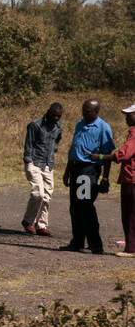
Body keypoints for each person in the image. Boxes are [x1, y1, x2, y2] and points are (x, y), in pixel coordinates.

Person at [60, 99, 114, 254]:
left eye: (88, 111)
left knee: (86, 206)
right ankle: (77, 242)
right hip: (76, 169)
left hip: (88, 171)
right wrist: (67, 171)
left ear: (96, 112)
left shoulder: (103, 128)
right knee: (75, 207)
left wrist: (105, 178)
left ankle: (95, 244)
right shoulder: (80, 124)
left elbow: (108, 154)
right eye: (83, 110)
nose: (84, 113)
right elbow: (74, 149)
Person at [93, 102, 135, 258]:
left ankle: (131, 248)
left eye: (129, 115)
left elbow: (123, 155)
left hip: (131, 178)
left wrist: (102, 157)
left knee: (129, 214)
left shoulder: (134, 133)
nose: (126, 118)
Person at [21, 102, 64, 236]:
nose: (56, 118)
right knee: (37, 193)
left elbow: (56, 143)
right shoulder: (35, 125)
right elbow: (29, 144)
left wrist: (52, 158)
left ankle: (41, 225)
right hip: (34, 162)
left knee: (46, 196)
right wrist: (28, 161)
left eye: (59, 116)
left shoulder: (59, 126)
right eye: (54, 115)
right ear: (48, 112)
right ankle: (28, 221)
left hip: (48, 164)